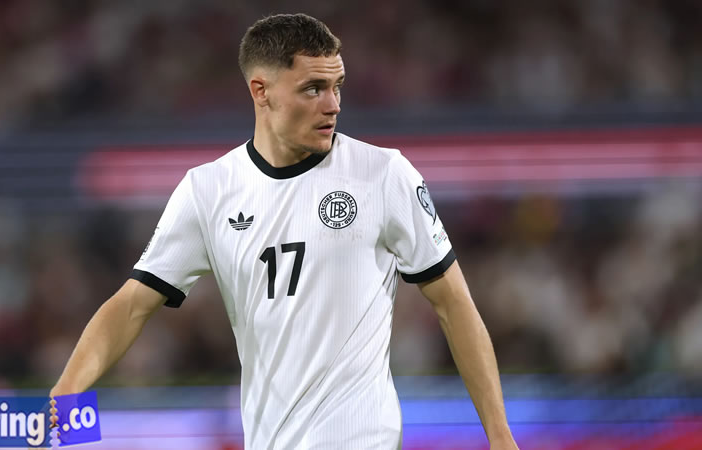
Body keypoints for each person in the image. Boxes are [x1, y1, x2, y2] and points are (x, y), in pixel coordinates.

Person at [50, 13, 518, 450]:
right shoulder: (208, 190)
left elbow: (454, 304)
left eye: (337, 86)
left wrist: (500, 436)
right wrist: (67, 391)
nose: (333, 105)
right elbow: (132, 304)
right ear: (261, 91)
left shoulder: (383, 175)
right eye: (313, 89)